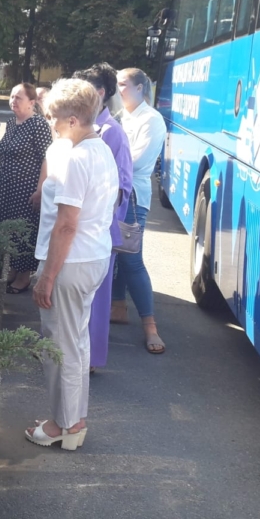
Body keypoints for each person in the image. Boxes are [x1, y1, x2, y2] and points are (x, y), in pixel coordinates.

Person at [24, 79, 119, 451]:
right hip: (91, 256)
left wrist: (47, 276)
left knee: (60, 345)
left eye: (54, 117)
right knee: (76, 343)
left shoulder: (78, 158)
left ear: (74, 120)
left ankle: (62, 424)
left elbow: (66, 224)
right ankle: (73, 419)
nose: (50, 123)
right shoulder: (100, 149)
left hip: (71, 261)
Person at [73, 63, 133, 371]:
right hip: (80, 227)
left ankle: (91, 359)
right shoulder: (86, 126)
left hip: (96, 230)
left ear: (99, 93)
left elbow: (122, 186)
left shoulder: (112, 132)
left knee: (96, 299)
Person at [111, 68, 168, 354]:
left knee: (132, 259)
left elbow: (137, 162)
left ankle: (150, 326)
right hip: (116, 193)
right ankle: (118, 306)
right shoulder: (120, 116)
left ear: (140, 88)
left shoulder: (152, 120)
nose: (117, 89)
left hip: (133, 196)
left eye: (123, 84)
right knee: (118, 254)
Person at [0, 83, 53, 294]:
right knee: (9, 228)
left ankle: (24, 276)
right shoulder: (12, 123)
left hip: (27, 189)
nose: (13, 101)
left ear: (32, 102)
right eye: (11, 97)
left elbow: (47, 158)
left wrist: (40, 189)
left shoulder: (38, 124)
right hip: (7, 188)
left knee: (25, 231)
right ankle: (12, 269)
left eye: (18, 97)